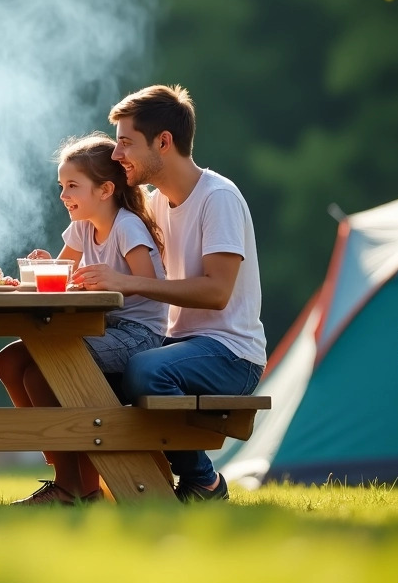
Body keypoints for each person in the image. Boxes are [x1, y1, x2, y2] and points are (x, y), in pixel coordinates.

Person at [90, 84, 266, 502]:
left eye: (126, 144)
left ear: (163, 142)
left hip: (230, 352)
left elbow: (217, 292)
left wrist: (130, 283)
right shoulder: (152, 205)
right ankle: (97, 484)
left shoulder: (217, 198)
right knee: (85, 367)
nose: (117, 156)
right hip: (178, 344)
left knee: (146, 371)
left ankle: (205, 481)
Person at [0, 133, 168, 505]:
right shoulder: (81, 226)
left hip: (139, 335)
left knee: (43, 371)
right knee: (11, 360)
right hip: (99, 330)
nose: (63, 195)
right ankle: (60, 460)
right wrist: (44, 267)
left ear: (105, 189)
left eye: (72, 185)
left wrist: (114, 282)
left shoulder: (127, 227)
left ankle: (77, 487)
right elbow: (61, 278)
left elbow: (151, 283)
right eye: (61, 186)